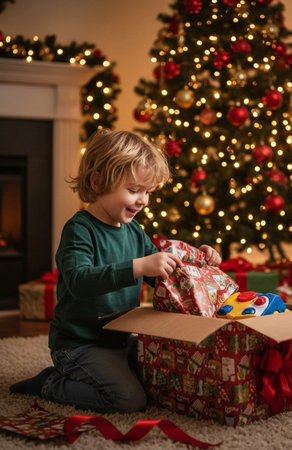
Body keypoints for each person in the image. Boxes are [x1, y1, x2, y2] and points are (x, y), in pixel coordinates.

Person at [10, 129, 221, 413]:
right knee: (129, 400)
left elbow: (159, 275)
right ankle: (50, 383)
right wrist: (138, 266)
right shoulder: (80, 229)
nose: (143, 200)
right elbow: (79, 281)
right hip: (79, 344)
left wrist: (198, 259)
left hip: (121, 340)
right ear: (97, 182)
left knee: (169, 375)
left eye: (147, 192)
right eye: (133, 190)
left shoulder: (134, 231)